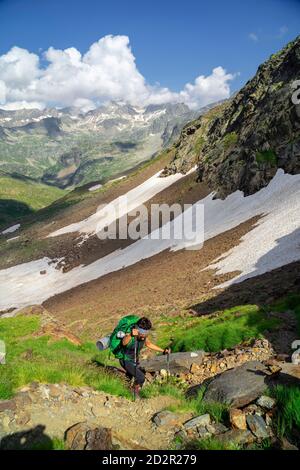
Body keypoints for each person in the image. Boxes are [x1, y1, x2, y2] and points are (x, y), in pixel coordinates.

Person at [119, 317, 170, 398]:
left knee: (130, 376)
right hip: (125, 359)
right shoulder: (131, 334)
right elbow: (124, 343)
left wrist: (163, 351)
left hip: (135, 360)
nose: (144, 335)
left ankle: (124, 391)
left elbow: (149, 344)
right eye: (142, 332)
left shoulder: (144, 337)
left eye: (146, 333)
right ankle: (134, 394)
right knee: (141, 377)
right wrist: (131, 335)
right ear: (137, 329)